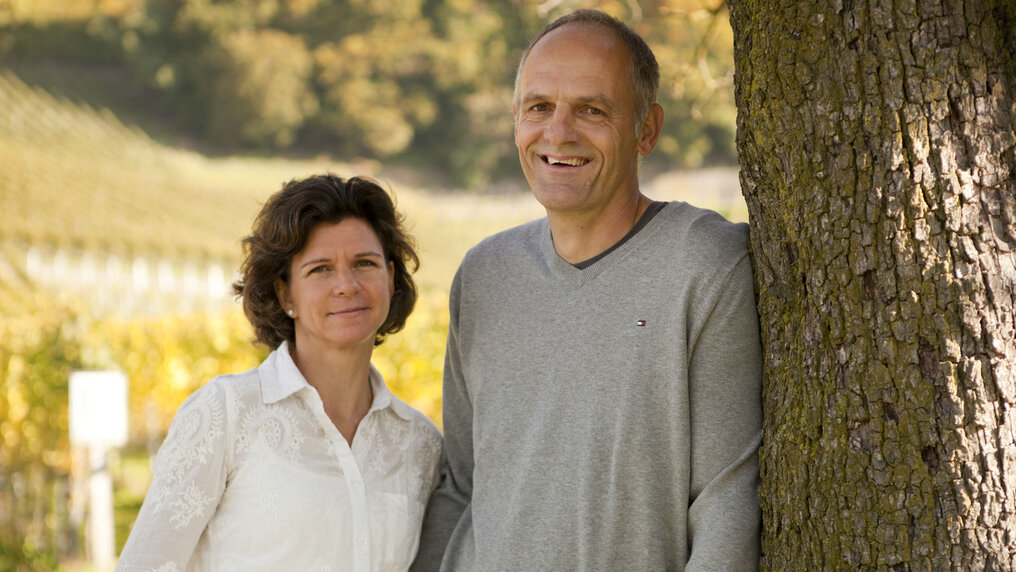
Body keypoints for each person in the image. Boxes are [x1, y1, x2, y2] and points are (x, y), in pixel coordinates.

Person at [413, 9, 762, 571]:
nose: (558, 132)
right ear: (516, 121)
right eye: (539, 107)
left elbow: (728, 503)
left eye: (592, 110)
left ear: (646, 129)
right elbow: (461, 486)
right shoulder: (483, 276)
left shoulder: (704, 264)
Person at [117, 174, 442, 571]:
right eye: (320, 269)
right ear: (286, 294)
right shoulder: (225, 415)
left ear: (391, 280)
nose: (347, 284)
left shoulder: (420, 444)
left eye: (365, 263)